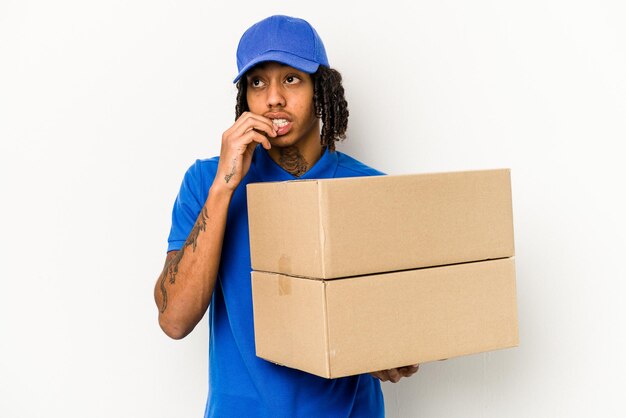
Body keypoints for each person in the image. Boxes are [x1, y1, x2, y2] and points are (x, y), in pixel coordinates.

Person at [153, 14, 419, 417]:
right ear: (244, 98)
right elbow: (174, 320)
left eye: (291, 79)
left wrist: (396, 353)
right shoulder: (206, 182)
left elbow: (402, 327)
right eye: (257, 82)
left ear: (321, 89)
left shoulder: (371, 189)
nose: (273, 97)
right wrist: (224, 188)